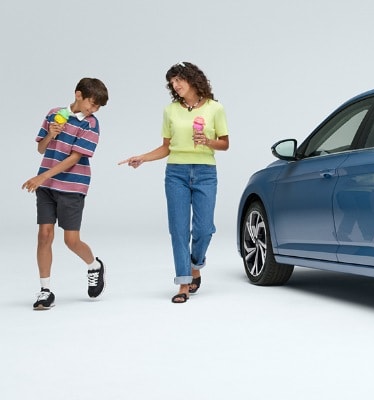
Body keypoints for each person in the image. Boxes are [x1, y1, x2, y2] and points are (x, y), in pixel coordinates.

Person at [119, 62, 229, 304]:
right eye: (172, 82)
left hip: (205, 172)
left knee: (204, 229)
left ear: (192, 79)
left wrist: (208, 141)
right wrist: (143, 158)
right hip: (176, 173)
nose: (175, 85)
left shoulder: (215, 108)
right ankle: (183, 283)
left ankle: (195, 264)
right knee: (178, 230)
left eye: (178, 80)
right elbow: (166, 148)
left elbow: (225, 144)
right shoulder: (170, 110)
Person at [21, 77, 109, 310]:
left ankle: (94, 266)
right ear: (78, 95)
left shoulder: (90, 124)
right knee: (44, 235)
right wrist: (51, 134)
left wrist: (42, 176)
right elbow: (41, 148)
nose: (94, 110)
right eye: (92, 103)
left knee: (71, 240)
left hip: (72, 186)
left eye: (98, 107)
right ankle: (45, 291)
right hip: (47, 187)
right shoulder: (53, 114)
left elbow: (75, 158)